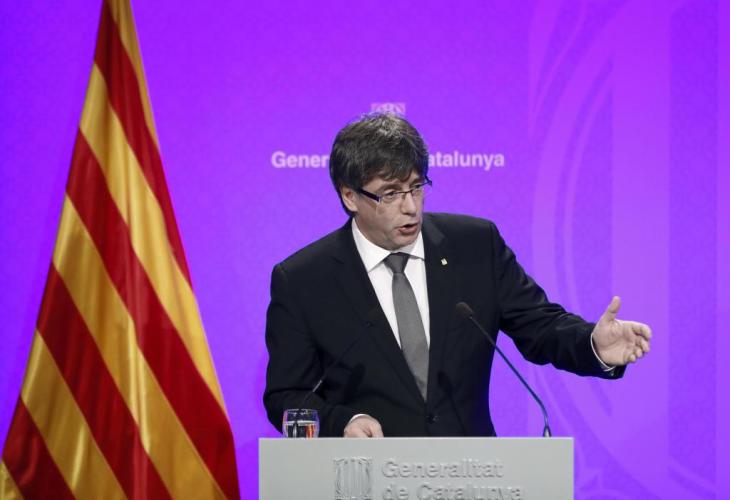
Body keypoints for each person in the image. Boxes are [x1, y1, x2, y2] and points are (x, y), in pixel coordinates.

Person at [263, 113, 652, 438]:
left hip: (471, 476)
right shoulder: (303, 280)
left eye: (417, 187)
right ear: (350, 196)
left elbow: (541, 327)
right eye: (391, 193)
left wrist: (592, 344)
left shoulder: (475, 246)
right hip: (365, 479)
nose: (411, 207)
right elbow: (285, 398)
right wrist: (342, 422)